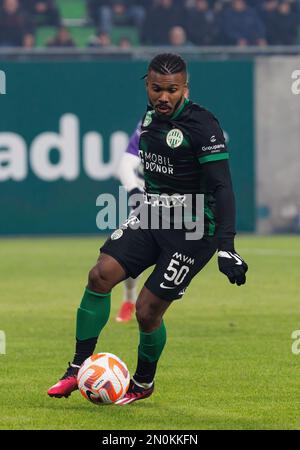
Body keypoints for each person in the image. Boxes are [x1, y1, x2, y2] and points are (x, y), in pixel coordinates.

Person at [48, 53, 248, 404]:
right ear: (147, 85)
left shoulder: (203, 125)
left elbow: (222, 187)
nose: (164, 97)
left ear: (185, 88)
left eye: (172, 90)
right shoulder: (150, 118)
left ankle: (142, 384)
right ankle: (75, 369)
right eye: (157, 89)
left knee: (147, 310)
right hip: (153, 215)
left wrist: (226, 246)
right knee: (100, 275)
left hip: (194, 227)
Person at [115, 122, 144, 322]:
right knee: (129, 255)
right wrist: (135, 193)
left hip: (182, 202)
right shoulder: (149, 124)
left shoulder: (196, 123)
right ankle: (129, 299)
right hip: (148, 199)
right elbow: (124, 165)